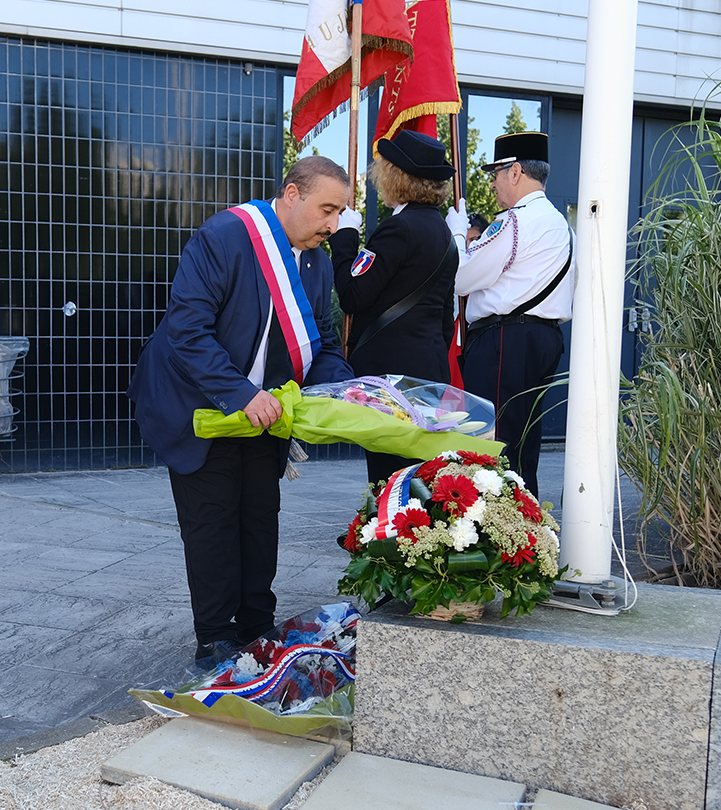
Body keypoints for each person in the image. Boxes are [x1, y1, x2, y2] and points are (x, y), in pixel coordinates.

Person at [129, 156, 354, 666]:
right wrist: (240, 393)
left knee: (259, 518)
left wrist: (341, 391)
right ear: (292, 195)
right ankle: (214, 636)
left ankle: (256, 625)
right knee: (212, 522)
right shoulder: (225, 237)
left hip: (265, 412)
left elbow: (322, 341)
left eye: (340, 212)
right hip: (198, 404)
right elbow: (188, 330)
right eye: (327, 209)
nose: (333, 224)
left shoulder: (317, 262)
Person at [445, 131, 574, 496]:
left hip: (505, 339)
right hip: (543, 338)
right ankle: (523, 520)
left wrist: (457, 236)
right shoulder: (562, 225)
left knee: (492, 444)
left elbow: (462, 277)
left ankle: (496, 523)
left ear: (515, 172)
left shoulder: (515, 221)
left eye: (496, 173)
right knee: (523, 446)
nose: (493, 182)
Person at [328, 130, 458, 487]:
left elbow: (353, 295)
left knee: (388, 474)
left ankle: (387, 522)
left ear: (395, 177)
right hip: (430, 369)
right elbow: (445, 317)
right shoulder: (445, 233)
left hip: (389, 376)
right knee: (419, 473)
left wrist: (345, 237)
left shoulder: (398, 228)